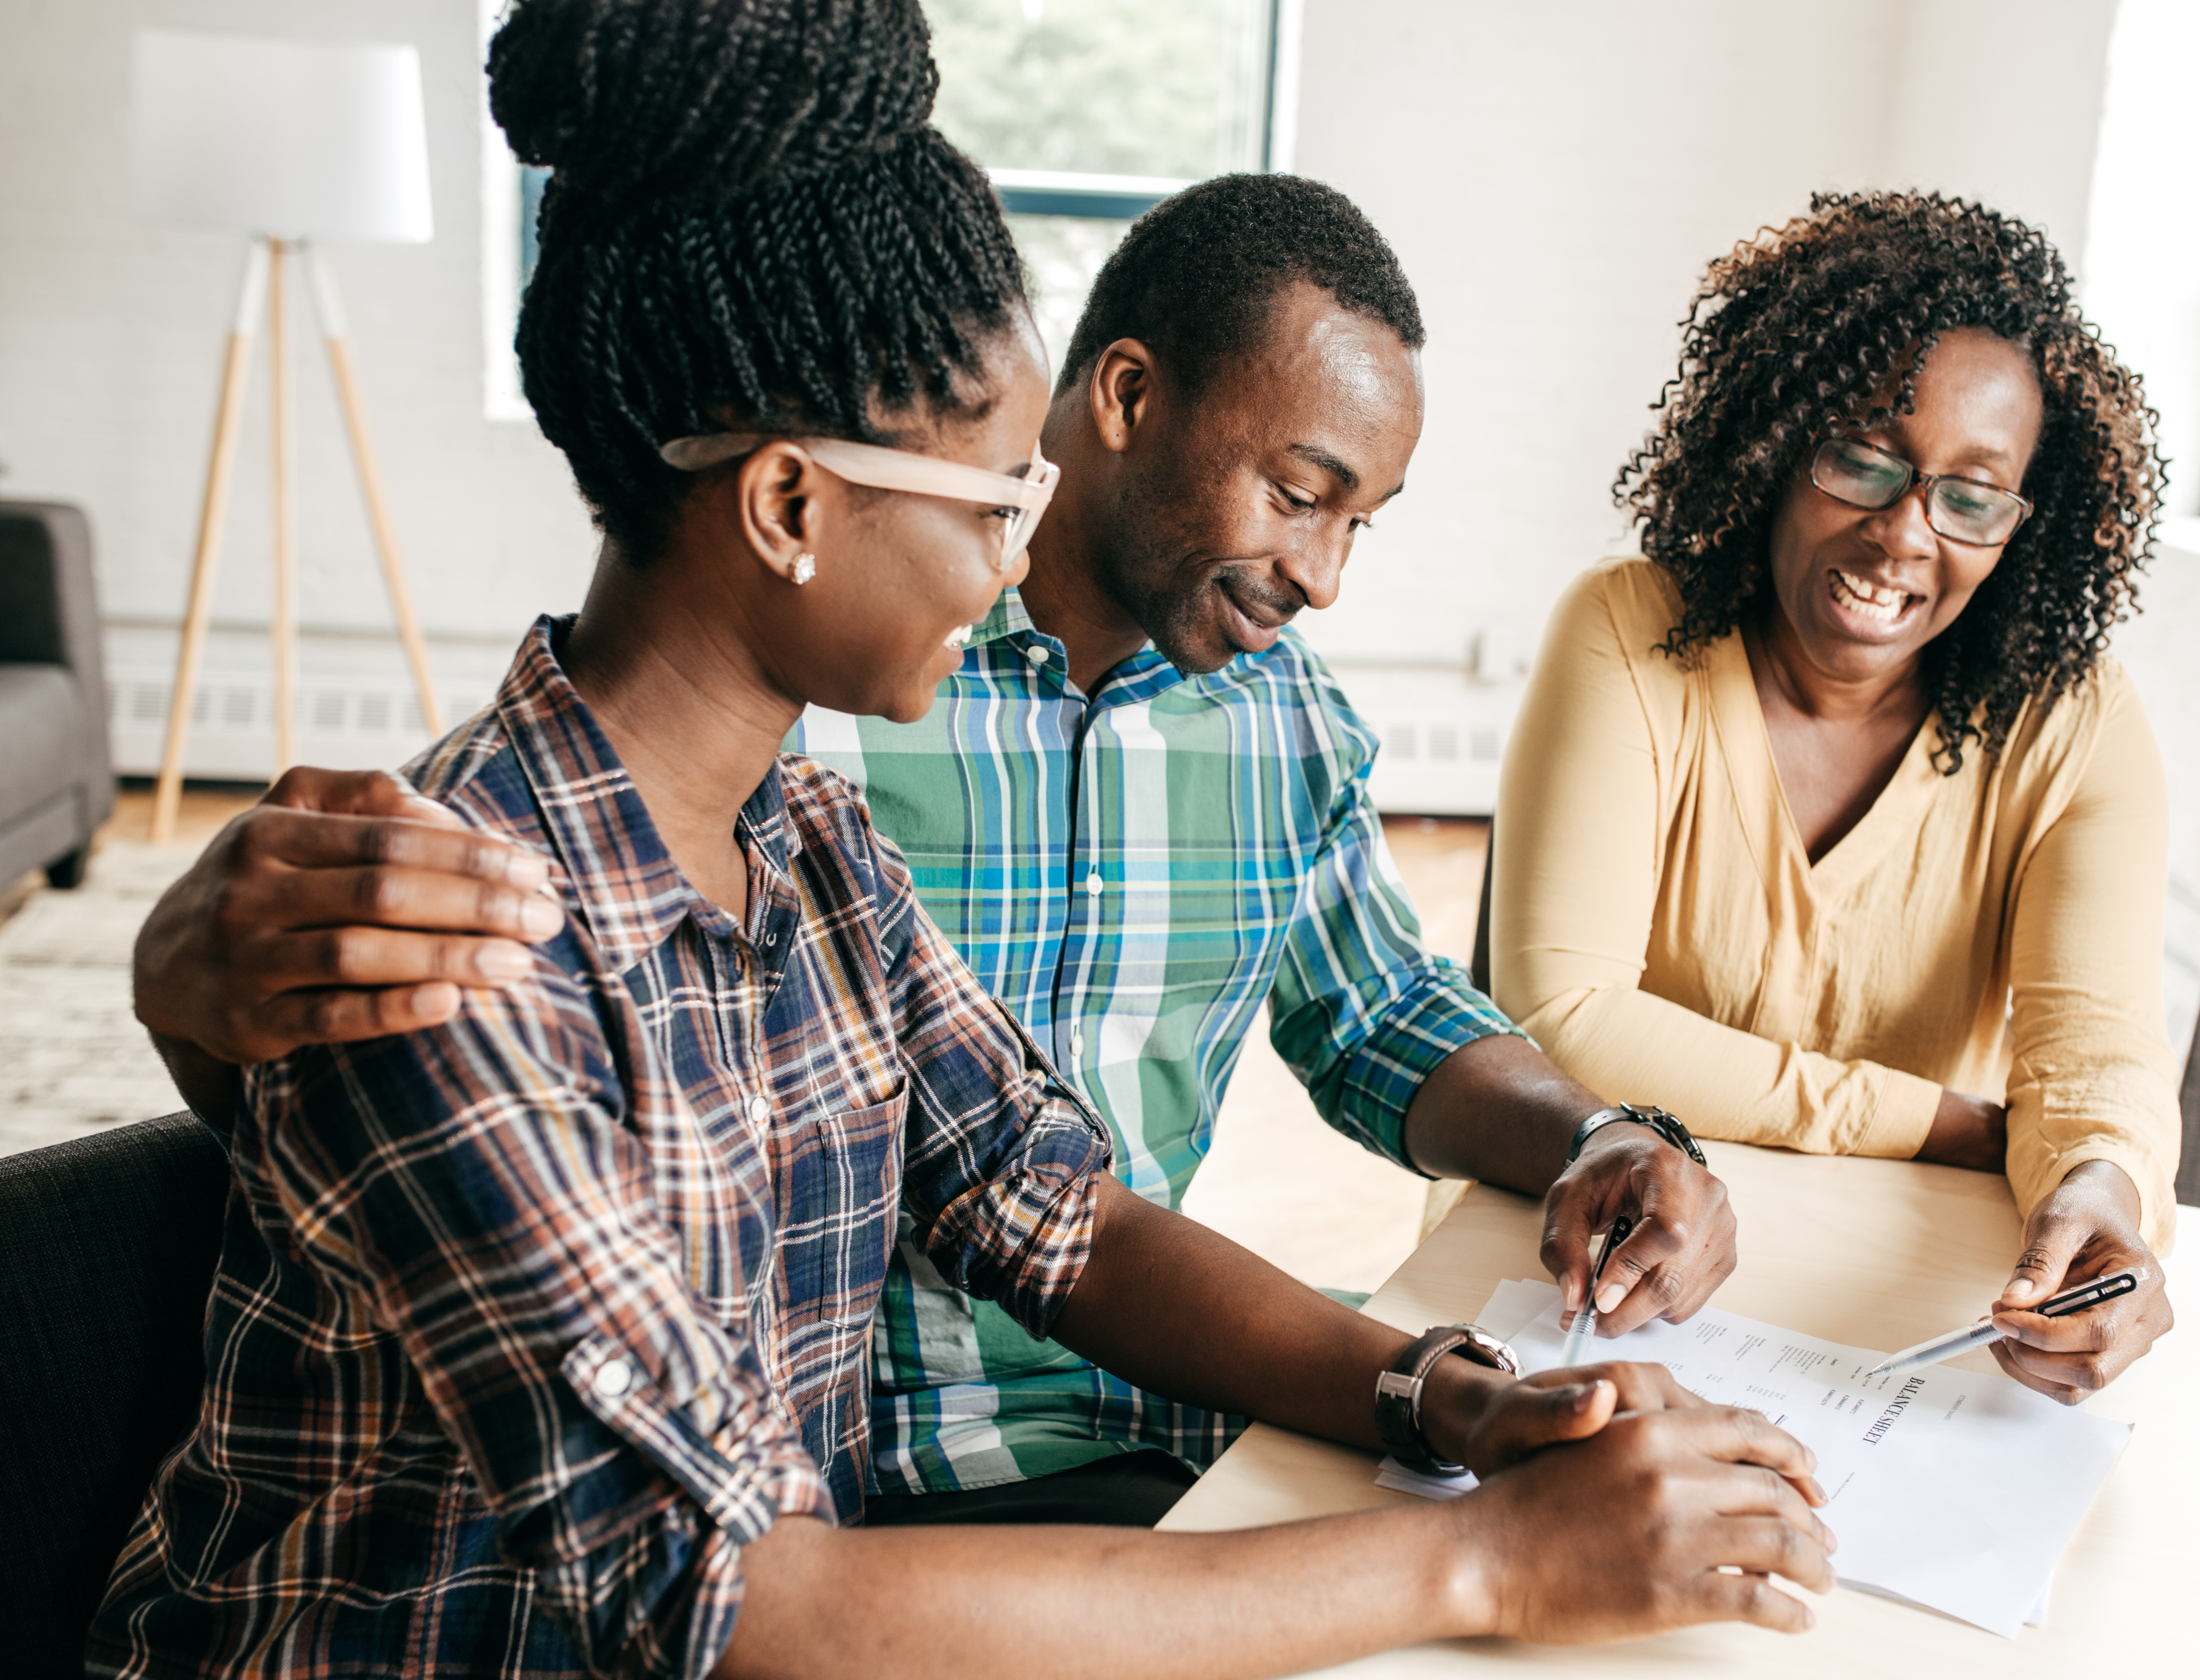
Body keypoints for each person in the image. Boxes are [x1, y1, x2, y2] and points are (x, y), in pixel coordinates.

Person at [90, 5, 1837, 1674]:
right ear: (790, 506)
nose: (1022, 558)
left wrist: (1445, 1397)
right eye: (995, 503)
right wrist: (1487, 1558)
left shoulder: (811, 845)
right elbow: (743, 1605)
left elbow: (1053, 1213)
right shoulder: (463, 927)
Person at [1490, 192, 2178, 1406]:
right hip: (1598, 1271)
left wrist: (2095, 1188)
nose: (1906, 534)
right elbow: (1565, 1015)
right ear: (1775, 442)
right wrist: (1942, 1124)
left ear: (2027, 524)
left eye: (1972, 497)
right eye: (1864, 457)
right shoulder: (1630, 634)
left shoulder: (2074, 723)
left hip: (1883, 1317)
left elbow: (2099, 1058)